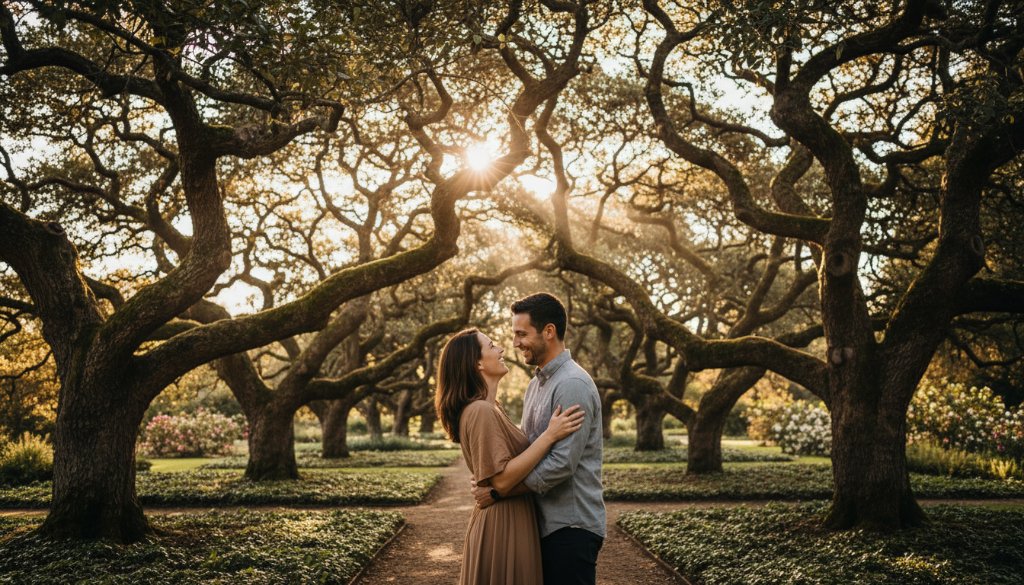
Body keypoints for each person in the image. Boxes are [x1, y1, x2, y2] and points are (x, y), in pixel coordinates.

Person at [472, 292, 606, 585]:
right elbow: (528, 448)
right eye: (514, 334)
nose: (515, 343)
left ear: (549, 332)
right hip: (541, 526)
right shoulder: (535, 385)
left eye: (522, 334)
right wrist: (493, 475)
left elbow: (561, 464)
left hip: (570, 528)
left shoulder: (572, 384)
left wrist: (500, 490)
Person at [435, 327, 585, 585]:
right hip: (502, 525)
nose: (502, 349)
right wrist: (549, 435)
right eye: (492, 346)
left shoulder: (490, 409)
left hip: (510, 518)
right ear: (477, 363)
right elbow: (502, 481)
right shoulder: (481, 411)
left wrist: (491, 484)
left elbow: (495, 478)